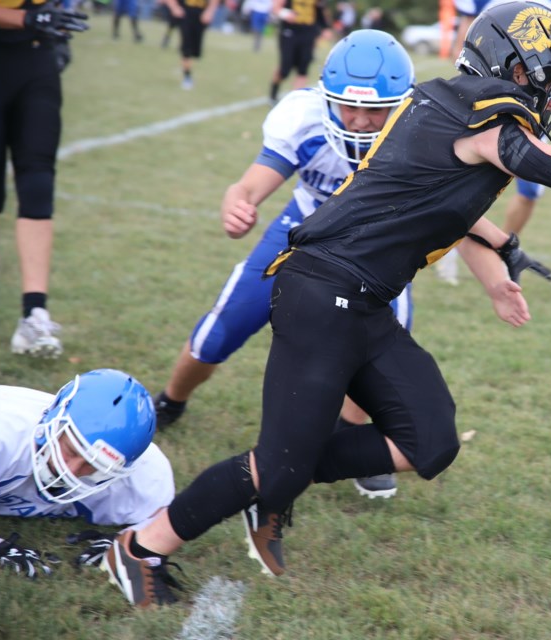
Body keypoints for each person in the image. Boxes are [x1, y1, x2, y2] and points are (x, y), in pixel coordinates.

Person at [101, 1, 551, 607]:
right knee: (278, 462)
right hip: (318, 293)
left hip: (363, 301)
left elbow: (428, 203)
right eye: (548, 80)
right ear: (511, 66)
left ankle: (273, 489)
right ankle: (141, 546)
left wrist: (502, 251)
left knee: (431, 441)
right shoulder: (480, 119)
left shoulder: (446, 107)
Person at [153, 29, 416, 500]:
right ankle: (172, 401)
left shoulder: (421, 132)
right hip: (304, 227)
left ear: (399, 105)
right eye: (347, 106)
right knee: (226, 323)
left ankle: (351, 435)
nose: (357, 122)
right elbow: (249, 185)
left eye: (373, 110)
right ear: (326, 97)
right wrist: (237, 203)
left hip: (376, 244)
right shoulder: (304, 117)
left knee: (382, 346)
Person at [0, 369, 176, 595]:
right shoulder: (2, 433)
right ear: (53, 421)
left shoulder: (147, 476)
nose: (70, 470)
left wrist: (128, 540)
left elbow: (160, 519)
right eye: (71, 450)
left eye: (94, 465)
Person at [436, 0, 551, 285]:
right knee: (460, 178)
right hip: (488, 88)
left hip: (532, 91)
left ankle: (501, 252)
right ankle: (448, 245)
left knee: (531, 189)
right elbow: (468, 29)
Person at [0, 1, 89, 359]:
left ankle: (34, 313)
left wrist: (56, 23)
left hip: (37, 58)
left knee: (38, 182)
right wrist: (26, 17)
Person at [268, 0, 330, 104]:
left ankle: (294, 102)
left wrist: (325, 27)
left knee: (303, 69)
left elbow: (320, 9)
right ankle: (273, 92)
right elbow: (275, 7)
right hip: (289, 32)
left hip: (308, 33)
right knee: (284, 70)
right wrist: (284, 14)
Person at [163, 0, 221, 90]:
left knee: (195, 51)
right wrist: (174, 7)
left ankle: (187, 69)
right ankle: (187, 76)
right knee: (186, 48)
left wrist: (210, 11)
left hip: (200, 13)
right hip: (185, 13)